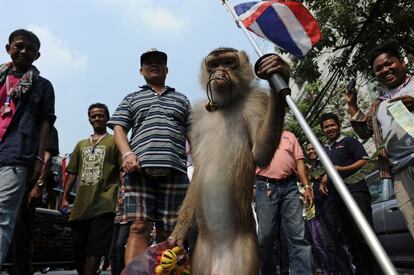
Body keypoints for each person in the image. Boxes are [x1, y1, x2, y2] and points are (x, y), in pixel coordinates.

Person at [107, 49, 191, 264]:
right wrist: (127, 153)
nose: (154, 65)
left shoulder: (181, 99)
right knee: (139, 226)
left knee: (170, 231)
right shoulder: (132, 97)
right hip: (139, 169)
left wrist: (200, 165)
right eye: (149, 63)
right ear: (141, 71)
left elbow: (193, 133)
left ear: (166, 69)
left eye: (160, 62)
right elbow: (118, 128)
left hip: (176, 169)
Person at [345, 40, 414, 238]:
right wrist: (352, 105)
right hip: (400, 173)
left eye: (388, 63)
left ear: (401, 62)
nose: (385, 70)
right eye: (378, 68)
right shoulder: (379, 103)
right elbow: (365, 131)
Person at [0, 29, 55, 267]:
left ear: (38, 55)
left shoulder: (43, 86)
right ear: (8, 48)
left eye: (30, 49)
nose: (24, 52)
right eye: (19, 46)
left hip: (17, 153)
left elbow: (45, 124)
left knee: (3, 214)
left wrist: (38, 159)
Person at [60, 103, 121, 275]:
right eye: (93, 116)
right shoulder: (81, 144)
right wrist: (64, 198)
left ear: (107, 118)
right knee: (78, 247)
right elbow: (71, 173)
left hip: (105, 202)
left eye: (100, 115)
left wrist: (123, 194)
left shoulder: (115, 141)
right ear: (89, 119)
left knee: (96, 246)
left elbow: (122, 170)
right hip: (81, 206)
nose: (97, 118)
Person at [319, 112, 380, 275]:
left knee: (365, 236)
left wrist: (341, 169)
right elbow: (328, 170)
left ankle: (377, 270)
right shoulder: (324, 150)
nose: (330, 129)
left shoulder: (349, 141)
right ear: (322, 130)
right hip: (336, 199)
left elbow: (364, 160)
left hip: (355, 192)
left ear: (338, 125)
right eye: (326, 127)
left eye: (332, 125)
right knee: (350, 240)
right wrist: (325, 178)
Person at [255, 130, 313, 275]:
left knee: (298, 236)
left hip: (290, 187)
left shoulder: (290, 136)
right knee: (266, 236)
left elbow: (299, 161)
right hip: (265, 186)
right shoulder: (255, 135)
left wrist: (306, 186)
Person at [11, 127, 59, 275]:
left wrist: (38, 186)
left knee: (21, 233)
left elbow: (47, 157)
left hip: (28, 186)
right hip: (9, 181)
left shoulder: (49, 128)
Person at [304, 143, 336, 275]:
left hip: (330, 206)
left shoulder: (325, 161)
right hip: (319, 209)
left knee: (331, 243)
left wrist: (324, 179)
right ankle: (329, 270)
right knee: (320, 244)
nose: (311, 151)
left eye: (313, 148)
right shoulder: (313, 167)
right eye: (308, 150)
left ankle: (339, 270)